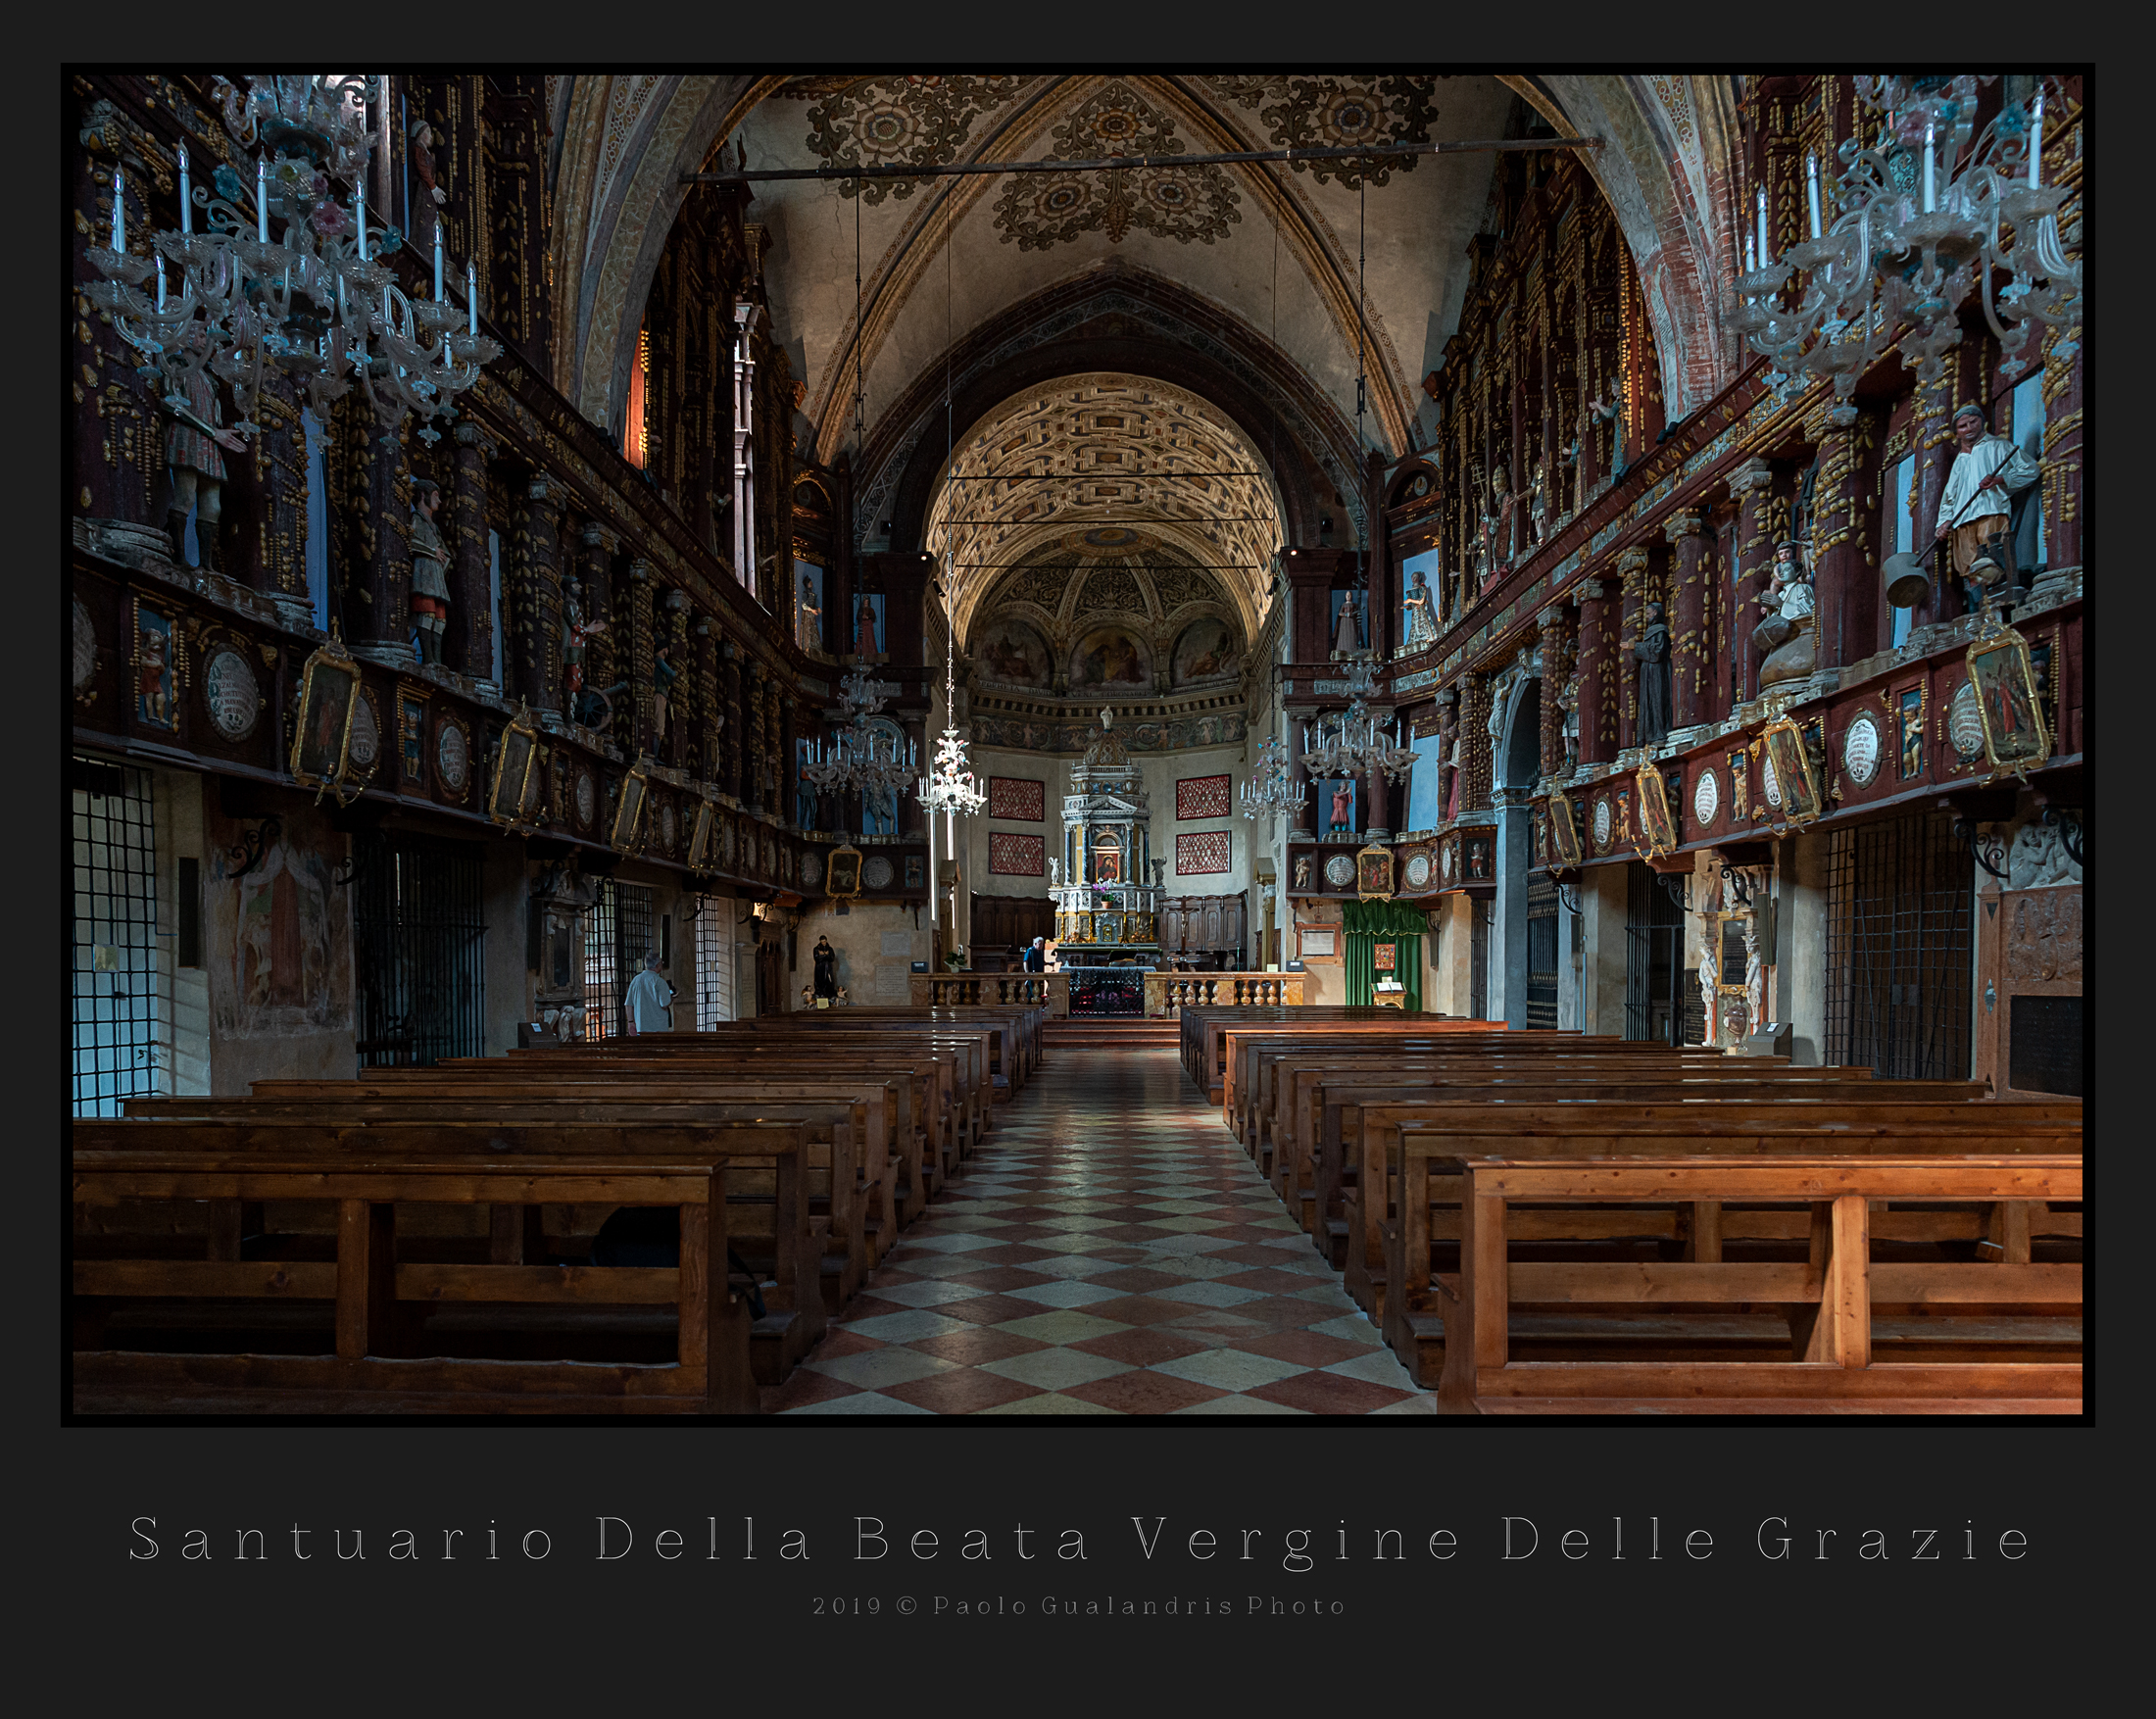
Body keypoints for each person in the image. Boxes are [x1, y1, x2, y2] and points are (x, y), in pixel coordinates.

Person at [1936, 402, 2040, 597]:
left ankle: (1999, 605)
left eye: (1973, 422)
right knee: (1971, 572)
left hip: (1991, 513)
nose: (1969, 428)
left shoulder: (1999, 446)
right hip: (1962, 522)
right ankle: (1979, 606)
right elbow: (1950, 496)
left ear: (1982, 422)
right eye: (1963, 426)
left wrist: (2000, 479)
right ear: (1957, 433)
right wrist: (1944, 522)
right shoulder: (1959, 460)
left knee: (1994, 564)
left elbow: (2031, 469)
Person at [409, 479, 451, 665]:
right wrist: (433, 551)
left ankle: (437, 659)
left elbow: (444, 551)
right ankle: (428, 658)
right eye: (435, 496)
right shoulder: (417, 519)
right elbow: (411, 541)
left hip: (436, 574)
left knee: (440, 620)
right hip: (424, 571)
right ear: (423, 495)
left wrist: (445, 559)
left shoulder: (434, 527)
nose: (439, 501)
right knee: (427, 614)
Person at [624, 950, 673, 1034]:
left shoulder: (636, 980)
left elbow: (628, 1004)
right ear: (658, 965)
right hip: (658, 1027)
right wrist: (671, 999)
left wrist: (631, 1022)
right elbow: (664, 1004)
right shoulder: (659, 981)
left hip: (640, 1027)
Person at [811, 934, 838, 1001]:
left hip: (827, 968)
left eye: (825, 941)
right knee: (819, 981)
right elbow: (817, 959)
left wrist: (824, 955)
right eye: (822, 942)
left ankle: (829, 995)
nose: (824, 943)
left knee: (829, 981)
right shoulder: (816, 949)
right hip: (820, 968)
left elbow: (832, 958)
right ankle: (820, 994)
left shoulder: (830, 949)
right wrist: (825, 955)